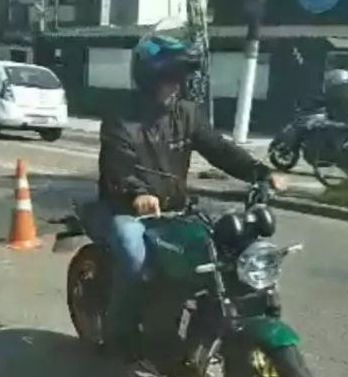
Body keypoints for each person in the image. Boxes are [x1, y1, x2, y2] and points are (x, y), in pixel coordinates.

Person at [93, 33, 285, 360]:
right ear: (147, 79)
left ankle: (202, 325)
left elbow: (219, 149)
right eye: (168, 77)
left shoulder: (187, 113)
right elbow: (116, 166)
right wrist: (137, 193)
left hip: (175, 209)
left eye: (179, 77)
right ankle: (118, 332)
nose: (175, 84)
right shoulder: (121, 119)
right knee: (134, 256)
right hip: (127, 210)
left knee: (221, 252)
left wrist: (260, 173)